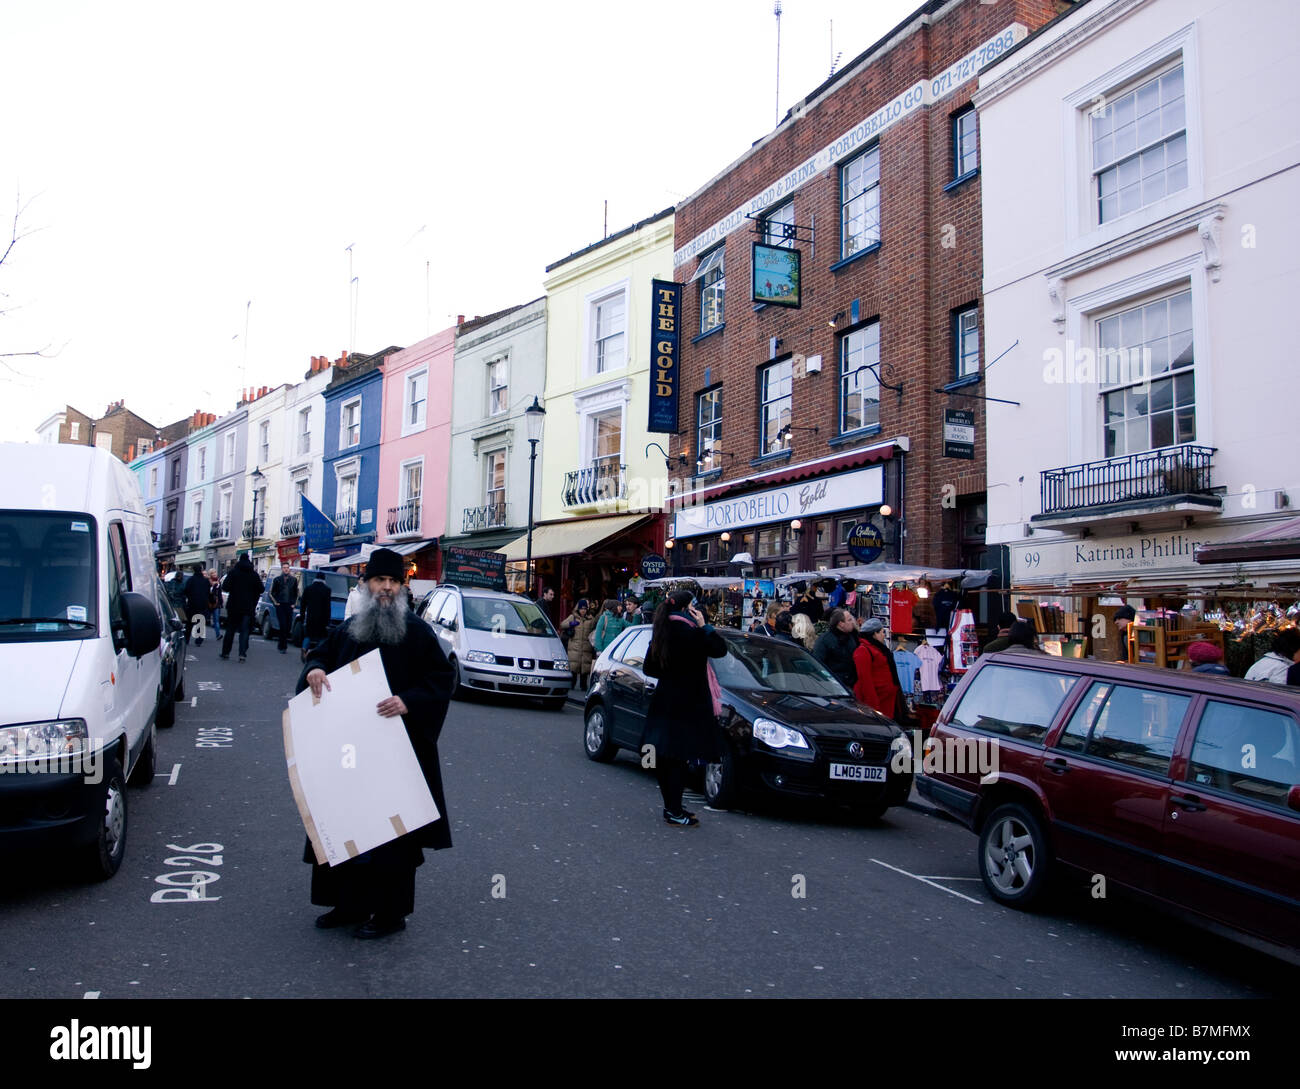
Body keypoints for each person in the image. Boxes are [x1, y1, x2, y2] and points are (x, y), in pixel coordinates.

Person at [298, 548, 455, 939]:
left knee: (391, 836)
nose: (385, 588)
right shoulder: (350, 628)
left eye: (392, 581)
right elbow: (320, 654)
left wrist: (409, 701)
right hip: (351, 753)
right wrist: (315, 669)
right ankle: (347, 904)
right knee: (348, 823)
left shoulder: (418, 633)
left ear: (402, 587)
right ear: (366, 585)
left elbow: (441, 680)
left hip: (397, 753)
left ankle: (389, 914)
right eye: (379, 581)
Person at [642, 591, 727, 827]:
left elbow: (650, 667)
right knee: (679, 758)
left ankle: (672, 806)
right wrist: (705, 625)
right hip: (688, 702)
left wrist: (671, 673)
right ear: (689, 608)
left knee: (664, 757)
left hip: (665, 699)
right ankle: (674, 810)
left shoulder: (662, 630)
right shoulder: (692, 632)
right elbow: (720, 649)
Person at [852, 618, 903, 718]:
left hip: (888, 699)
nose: (884, 635)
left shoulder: (878, 648)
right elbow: (865, 680)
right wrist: (873, 706)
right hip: (878, 701)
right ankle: (918, 734)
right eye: (882, 632)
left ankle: (918, 734)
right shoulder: (863, 650)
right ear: (874, 634)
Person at [220, 553, 263, 662]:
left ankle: (226, 652)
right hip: (248, 607)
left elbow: (225, 587)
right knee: (244, 631)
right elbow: (261, 589)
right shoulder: (254, 574)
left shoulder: (233, 572)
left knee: (230, 630)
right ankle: (242, 654)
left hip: (234, 605)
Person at [813, 608, 859, 689]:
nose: (852, 622)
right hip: (834, 686)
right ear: (841, 623)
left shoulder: (853, 636)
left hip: (851, 684)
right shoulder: (824, 640)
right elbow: (818, 665)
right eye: (849, 620)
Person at [561, 599, 596, 690]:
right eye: (581, 608)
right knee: (574, 668)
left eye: (585, 609)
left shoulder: (591, 619)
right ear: (578, 609)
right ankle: (572, 685)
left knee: (584, 669)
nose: (583, 610)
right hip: (574, 647)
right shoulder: (573, 617)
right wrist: (571, 624)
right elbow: (562, 625)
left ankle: (583, 686)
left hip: (586, 647)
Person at [300, 571, 331, 660]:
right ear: (324, 579)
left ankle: (304, 649)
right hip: (322, 618)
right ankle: (316, 654)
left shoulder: (308, 588)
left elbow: (303, 604)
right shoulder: (327, 590)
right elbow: (327, 607)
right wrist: (327, 621)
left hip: (310, 617)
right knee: (322, 637)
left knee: (308, 635)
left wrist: (302, 617)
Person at [270, 565, 300, 654]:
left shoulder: (294, 580)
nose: (286, 569)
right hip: (280, 605)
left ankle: (282, 643)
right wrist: (276, 603)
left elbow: (297, 593)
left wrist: (294, 604)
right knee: (283, 625)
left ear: (289, 569)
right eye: (284, 567)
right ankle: (282, 646)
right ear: (282, 569)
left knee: (288, 626)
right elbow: (271, 593)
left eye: (287, 567)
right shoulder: (277, 579)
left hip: (289, 605)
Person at [182, 563, 210, 645]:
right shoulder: (205, 581)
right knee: (200, 622)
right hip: (202, 604)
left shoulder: (191, 580)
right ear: (201, 570)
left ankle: (187, 639)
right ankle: (199, 640)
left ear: (193, 570)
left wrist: (190, 597)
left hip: (192, 604)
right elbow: (208, 592)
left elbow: (186, 590)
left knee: (189, 623)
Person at [207, 570, 223, 639]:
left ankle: (218, 634)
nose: (214, 574)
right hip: (208, 603)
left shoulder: (218, 582)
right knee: (204, 618)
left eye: (215, 572)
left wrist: (221, 602)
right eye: (212, 573)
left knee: (216, 620)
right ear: (210, 574)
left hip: (216, 603)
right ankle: (200, 634)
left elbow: (219, 593)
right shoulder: (208, 582)